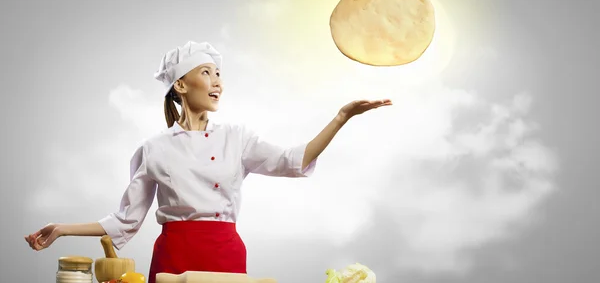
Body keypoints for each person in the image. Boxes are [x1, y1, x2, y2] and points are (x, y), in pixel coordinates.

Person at [25, 41, 392, 283]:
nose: (217, 82)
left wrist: (342, 117)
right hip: (175, 255)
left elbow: (293, 161)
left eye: (219, 74)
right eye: (206, 73)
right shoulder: (152, 148)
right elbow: (125, 220)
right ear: (180, 86)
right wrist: (62, 228)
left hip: (225, 253)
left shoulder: (237, 137)